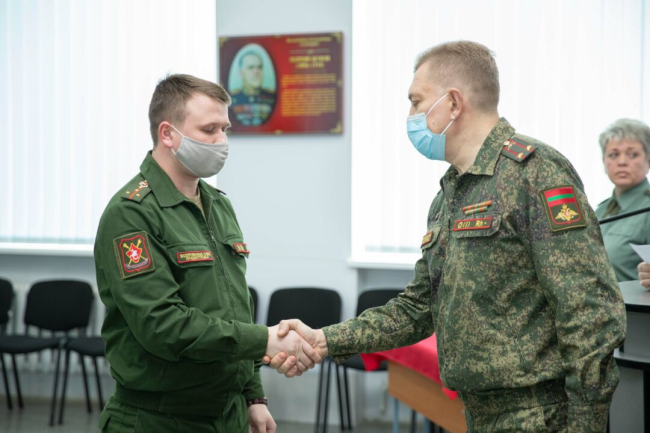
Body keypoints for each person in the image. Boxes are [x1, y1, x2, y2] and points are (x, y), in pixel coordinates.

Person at [266, 41, 626, 432]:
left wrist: (585, 425)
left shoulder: (535, 172)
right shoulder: (451, 194)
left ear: (453, 103)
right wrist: (324, 339)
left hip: (540, 415)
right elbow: (418, 307)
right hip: (478, 413)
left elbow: (589, 312)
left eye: (416, 102)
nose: (410, 116)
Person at [94, 74, 319, 433]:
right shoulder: (132, 213)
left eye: (225, 129)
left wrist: (252, 396)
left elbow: (236, 307)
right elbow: (163, 326)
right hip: (159, 419)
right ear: (168, 134)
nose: (222, 141)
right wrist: (265, 339)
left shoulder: (217, 204)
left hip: (227, 413)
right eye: (209, 130)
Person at [595, 119, 650, 282]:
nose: (622, 162)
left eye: (633, 154)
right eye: (614, 154)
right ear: (604, 162)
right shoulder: (599, 211)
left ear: (648, 161)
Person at [230, 50, 276, 126]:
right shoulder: (232, 99)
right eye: (250, 67)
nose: (256, 71)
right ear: (241, 73)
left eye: (259, 67)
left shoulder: (271, 98)